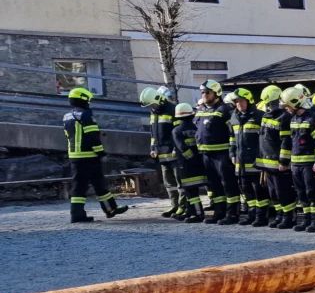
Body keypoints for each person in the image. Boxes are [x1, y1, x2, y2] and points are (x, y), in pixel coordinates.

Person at [63, 87, 129, 223]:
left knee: (82, 185)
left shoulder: (67, 116)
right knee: (96, 183)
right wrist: (101, 153)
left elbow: (68, 135)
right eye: (88, 100)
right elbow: (93, 136)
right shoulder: (86, 115)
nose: (89, 103)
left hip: (75, 156)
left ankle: (109, 209)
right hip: (89, 156)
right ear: (83, 99)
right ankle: (83, 214)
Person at [194, 80, 240, 224]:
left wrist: (233, 152)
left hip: (222, 154)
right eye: (202, 92)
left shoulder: (224, 110)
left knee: (228, 184)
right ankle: (219, 212)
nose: (204, 95)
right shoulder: (201, 109)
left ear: (217, 93)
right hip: (205, 154)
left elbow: (233, 133)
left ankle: (232, 214)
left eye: (207, 92)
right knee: (214, 185)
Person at [282, 86, 315, 233]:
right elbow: (289, 140)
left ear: (294, 103)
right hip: (295, 163)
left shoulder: (312, 118)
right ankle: (306, 219)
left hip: (308, 163)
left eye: (287, 106)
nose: (286, 109)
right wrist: (285, 161)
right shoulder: (293, 118)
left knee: (312, 192)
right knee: (301, 193)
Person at [139, 86, 183, 219]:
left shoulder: (173, 109)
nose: (151, 107)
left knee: (180, 181)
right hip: (162, 153)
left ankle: (183, 206)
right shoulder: (154, 112)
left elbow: (178, 133)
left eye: (151, 104)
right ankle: (174, 205)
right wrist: (153, 148)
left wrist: (177, 149)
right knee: (169, 183)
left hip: (174, 153)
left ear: (158, 99)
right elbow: (153, 133)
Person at [256, 85, 296, 229]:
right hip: (266, 162)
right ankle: (280, 214)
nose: (267, 106)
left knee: (283, 191)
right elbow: (263, 139)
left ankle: (288, 217)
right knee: (273, 192)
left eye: (268, 103)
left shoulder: (284, 117)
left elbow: (286, 141)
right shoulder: (266, 116)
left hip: (278, 162)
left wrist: (284, 161)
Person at [229, 88, 267, 226]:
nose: (238, 104)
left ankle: (261, 216)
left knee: (259, 190)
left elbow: (264, 139)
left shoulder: (259, 116)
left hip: (255, 161)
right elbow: (232, 138)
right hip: (240, 161)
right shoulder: (234, 117)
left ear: (249, 101)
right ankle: (252, 214)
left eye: (241, 101)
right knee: (245, 189)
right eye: (236, 102)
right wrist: (232, 153)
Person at [171, 102, 208, 223]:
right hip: (199, 163)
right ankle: (190, 212)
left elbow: (182, 148)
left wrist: (190, 160)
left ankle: (198, 213)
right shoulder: (196, 127)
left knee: (190, 191)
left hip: (185, 165)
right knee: (193, 191)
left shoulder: (176, 131)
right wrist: (198, 160)